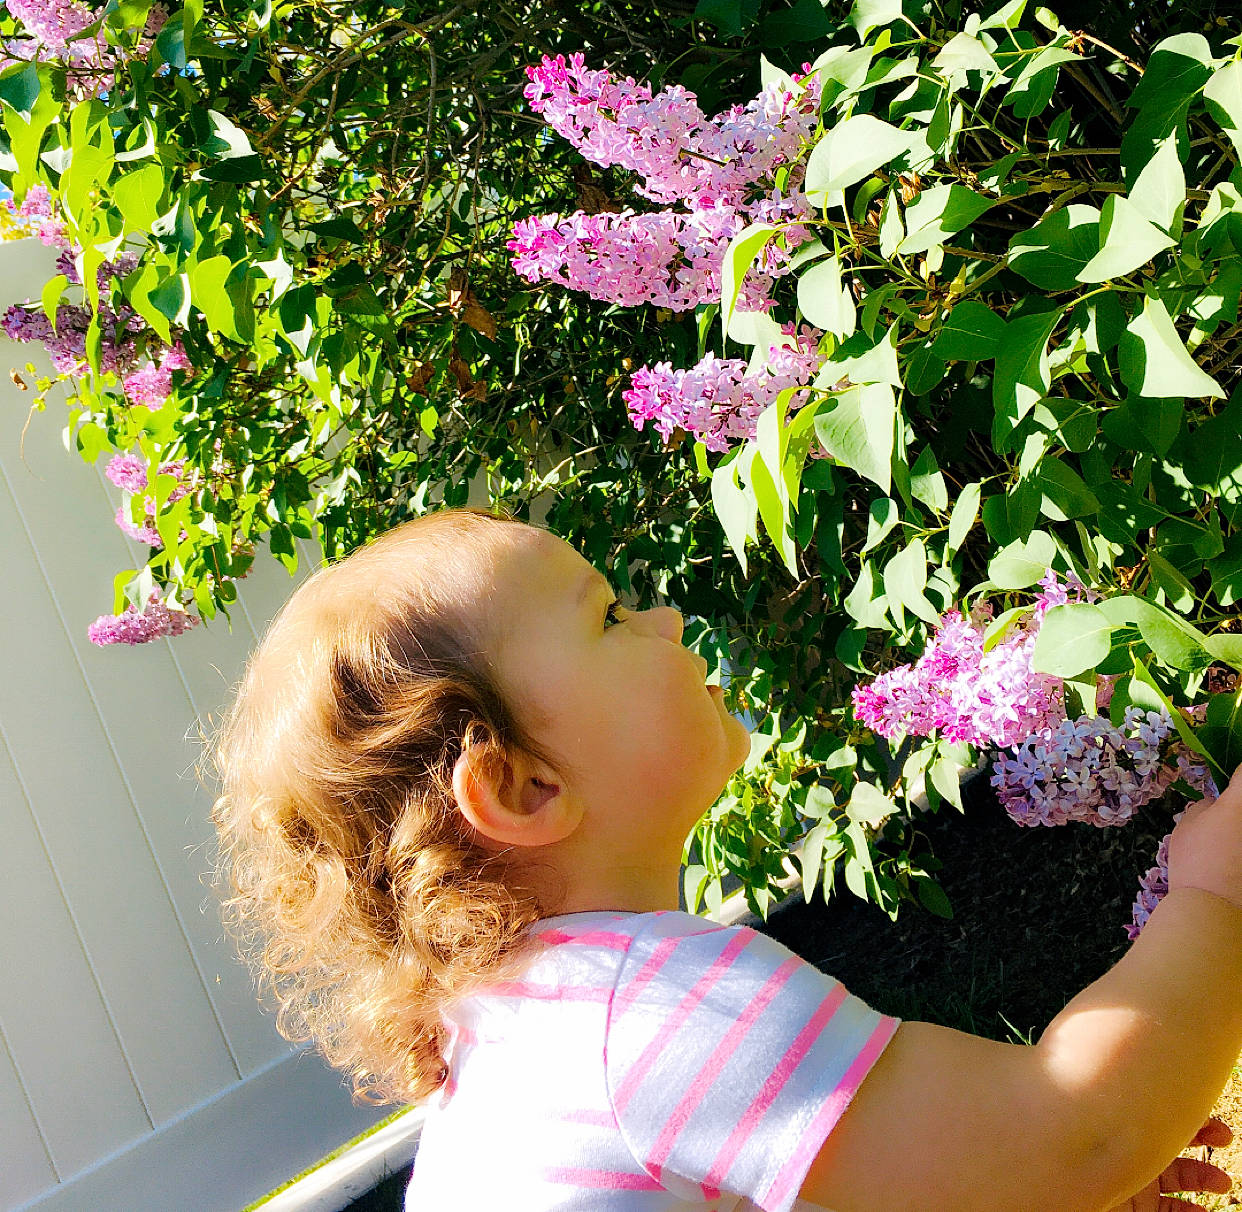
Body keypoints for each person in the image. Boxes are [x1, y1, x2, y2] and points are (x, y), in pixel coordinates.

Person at [210, 507, 1241, 1211]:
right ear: (525, 786)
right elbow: (1071, 1134)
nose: (664, 619)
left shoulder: (525, 1042)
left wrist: (975, 1177)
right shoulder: (645, 1013)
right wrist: (1214, 890)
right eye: (609, 616)